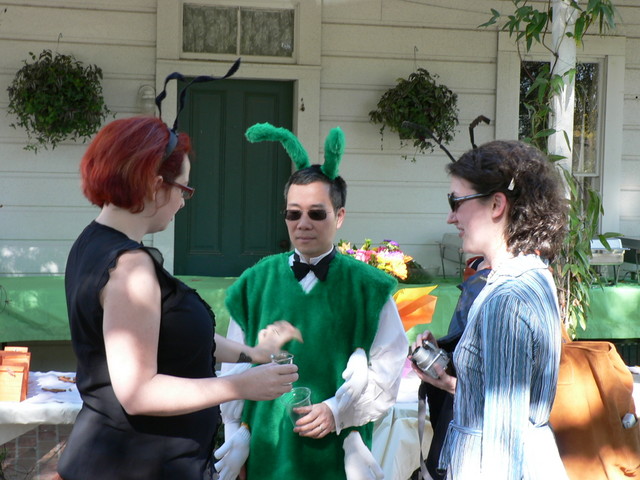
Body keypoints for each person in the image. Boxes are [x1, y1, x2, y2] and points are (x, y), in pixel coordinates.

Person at [57, 116, 300, 480]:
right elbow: (138, 393)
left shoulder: (91, 242)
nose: (184, 204)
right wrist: (240, 385)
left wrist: (254, 355)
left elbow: (175, 338)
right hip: (135, 466)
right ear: (156, 186)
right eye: (184, 190)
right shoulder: (130, 268)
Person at [214, 123, 408, 480]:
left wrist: (337, 411)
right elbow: (234, 369)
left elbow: (388, 368)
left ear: (340, 216)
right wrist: (236, 438)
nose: (303, 223)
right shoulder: (256, 281)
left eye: (317, 213)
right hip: (267, 453)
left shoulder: (369, 287)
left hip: (338, 455)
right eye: (294, 212)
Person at [413, 140, 568, 479]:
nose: (451, 216)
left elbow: (502, 445)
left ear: (497, 204)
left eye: (456, 201)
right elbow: (503, 402)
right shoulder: (532, 275)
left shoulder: (507, 299)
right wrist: (449, 376)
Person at [413, 255, 490, 480]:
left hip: (486, 444)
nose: (451, 218)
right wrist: (443, 355)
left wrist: (454, 386)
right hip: (462, 421)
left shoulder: (499, 289)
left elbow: (512, 392)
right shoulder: (479, 281)